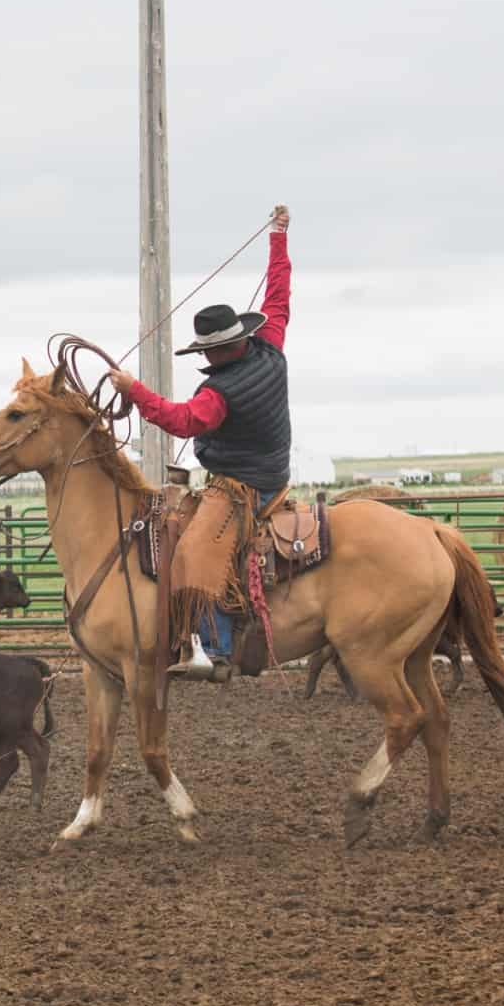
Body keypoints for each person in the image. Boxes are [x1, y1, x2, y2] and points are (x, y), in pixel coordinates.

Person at [107, 205, 293, 673]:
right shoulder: (270, 344)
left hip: (242, 484)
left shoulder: (219, 393)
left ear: (213, 349)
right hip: (274, 471)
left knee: (194, 553)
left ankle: (214, 650)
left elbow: (181, 420)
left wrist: (134, 391)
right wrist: (277, 237)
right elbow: (278, 294)